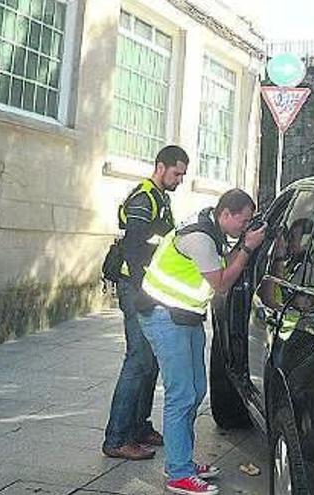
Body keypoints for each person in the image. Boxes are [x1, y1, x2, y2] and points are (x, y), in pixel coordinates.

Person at [139, 189, 267, 495]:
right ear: (226, 214)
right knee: (181, 394)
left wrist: (242, 243)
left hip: (185, 316)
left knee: (196, 390)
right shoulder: (201, 238)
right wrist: (248, 249)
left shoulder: (212, 225)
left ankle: (182, 459)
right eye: (244, 220)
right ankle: (178, 474)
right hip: (164, 316)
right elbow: (221, 284)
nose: (245, 227)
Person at [102, 145, 189, 461]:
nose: (180, 179)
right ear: (160, 166)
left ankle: (139, 427)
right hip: (136, 289)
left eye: (182, 174)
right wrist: (143, 294)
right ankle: (117, 437)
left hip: (147, 289)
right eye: (177, 173)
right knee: (138, 360)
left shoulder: (160, 197)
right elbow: (135, 250)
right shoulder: (144, 198)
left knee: (150, 361)